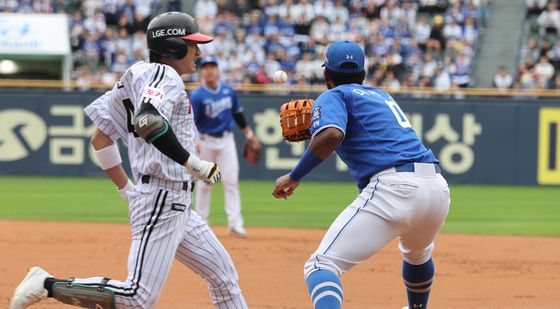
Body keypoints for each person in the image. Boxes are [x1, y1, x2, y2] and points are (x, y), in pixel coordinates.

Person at [10, 12, 247, 309]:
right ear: (173, 46)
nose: (198, 52)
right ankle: (48, 285)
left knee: (224, 277)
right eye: (192, 44)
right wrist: (193, 163)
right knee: (137, 297)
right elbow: (147, 121)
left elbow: (100, 139)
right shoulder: (166, 75)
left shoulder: (133, 77)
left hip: (173, 202)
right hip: (163, 197)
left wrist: (127, 192)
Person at [272, 40, 450, 309]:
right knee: (418, 254)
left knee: (322, 264)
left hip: (395, 188)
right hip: (436, 188)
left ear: (326, 75)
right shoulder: (383, 96)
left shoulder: (334, 96)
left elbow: (332, 134)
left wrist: (295, 175)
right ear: (363, 74)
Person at [191, 55, 261, 238]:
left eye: (212, 66)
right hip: (205, 141)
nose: (209, 70)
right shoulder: (197, 96)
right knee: (205, 183)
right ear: (201, 71)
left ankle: (235, 224)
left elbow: (238, 115)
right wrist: (195, 139)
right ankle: (201, 224)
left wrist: (250, 134)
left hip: (226, 141)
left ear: (217, 69)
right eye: (205, 67)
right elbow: (192, 122)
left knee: (231, 182)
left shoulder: (228, 91)